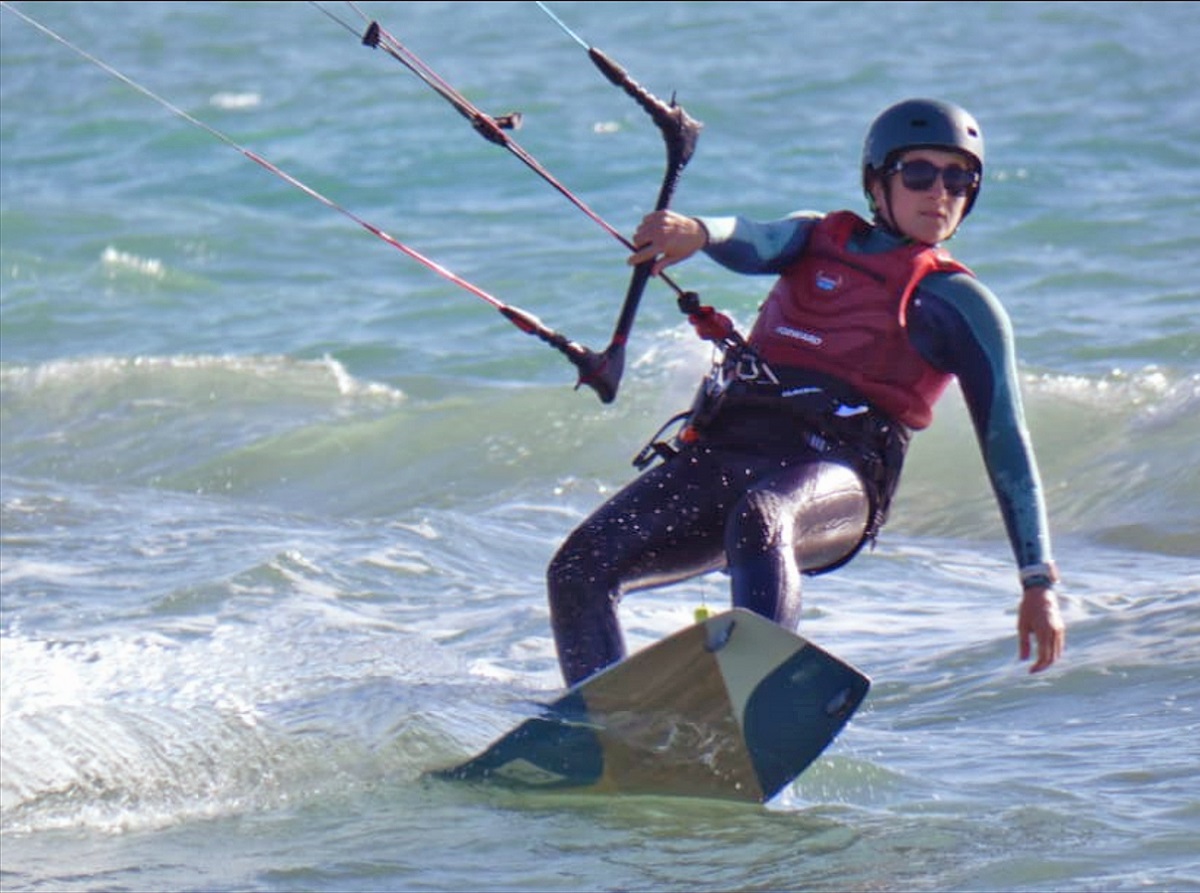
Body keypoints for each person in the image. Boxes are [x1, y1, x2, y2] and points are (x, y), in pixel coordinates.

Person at [546, 98, 1064, 687]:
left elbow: (1007, 443)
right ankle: (606, 731)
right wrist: (697, 232)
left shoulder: (961, 305)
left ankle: (750, 702)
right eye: (919, 174)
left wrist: (1037, 581)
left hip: (837, 475)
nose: (939, 192)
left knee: (763, 519)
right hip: (730, 454)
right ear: (877, 183)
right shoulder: (817, 239)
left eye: (959, 178)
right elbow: (753, 239)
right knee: (579, 567)